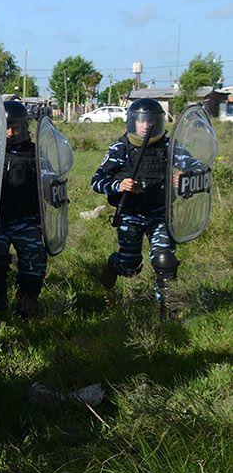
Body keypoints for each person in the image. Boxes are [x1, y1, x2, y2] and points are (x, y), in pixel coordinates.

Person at [91, 98, 194, 315]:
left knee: (164, 260)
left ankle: (168, 311)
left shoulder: (169, 147)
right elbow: (96, 181)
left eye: (152, 121)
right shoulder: (121, 148)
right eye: (141, 121)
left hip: (159, 213)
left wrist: (186, 176)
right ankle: (114, 263)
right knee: (130, 267)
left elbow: (197, 167)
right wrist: (118, 185)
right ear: (133, 122)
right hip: (130, 214)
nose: (147, 125)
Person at [0, 100, 46, 316]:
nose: (11, 132)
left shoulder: (36, 154)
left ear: (24, 127)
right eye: (7, 127)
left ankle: (27, 303)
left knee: (34, 267)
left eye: (16, 127)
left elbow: (51, 184)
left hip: (27, 220)